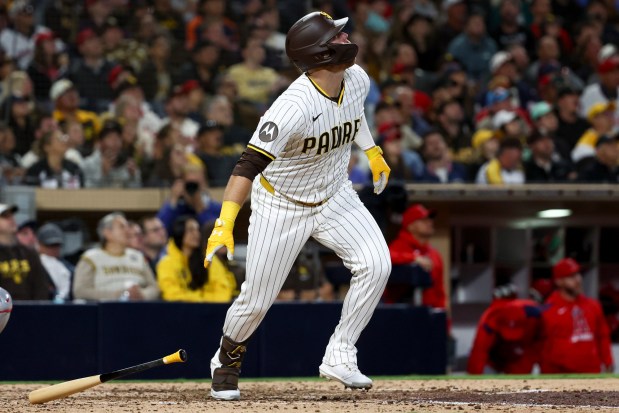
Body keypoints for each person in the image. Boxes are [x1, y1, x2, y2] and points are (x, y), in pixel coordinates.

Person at [203, 11, 392, 400]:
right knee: (257, 299)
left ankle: (340, 353)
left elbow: (353, 117)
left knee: (377, 264)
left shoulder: (357, 78)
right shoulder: (292, 107)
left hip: (335, 193)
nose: (345, 36)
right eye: (336, 35)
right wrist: (224, 222)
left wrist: (371, 150)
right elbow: (247, 165)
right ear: (320, 53)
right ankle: (226, 358)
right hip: (282, 203)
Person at [540, 258, 613, 373]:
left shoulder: (593, 305)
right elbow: (543, 346)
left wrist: (608, 361)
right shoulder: (548, 309)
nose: (578, 279)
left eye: (578, 274)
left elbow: (602, 336)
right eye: (571, 276)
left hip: (591, 373)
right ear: (559, 281)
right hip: (561, 376)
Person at [72, 212, 160, 301]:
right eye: (122, 227)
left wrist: (143, 294)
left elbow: (154, 288)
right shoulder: (91, 258)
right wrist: (116, 295)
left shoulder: (138, 257)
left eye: (127, 226)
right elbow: (80, 291)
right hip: (104, 310)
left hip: (139, 308)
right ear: (107, 233)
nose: (127, 230)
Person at [157, 216, 236, 302]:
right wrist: (200, 299)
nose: (196, 234)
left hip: (211, 310)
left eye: (197, 230)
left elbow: (223, 291)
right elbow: (172, 295)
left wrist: (201, 301)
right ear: (179, 233)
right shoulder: (166, 264)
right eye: (191, 230)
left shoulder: (210, 259)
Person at [467, 285, 543, 374]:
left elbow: (533, 348)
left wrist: (520, 378)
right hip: (494, 359)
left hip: (518, 356)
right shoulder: (490, 318)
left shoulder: (534, 316)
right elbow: (479, 351)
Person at [387, 204, 446, 309]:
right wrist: (414, 258)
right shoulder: (399, 246)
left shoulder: (434, 254)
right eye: (423, 220)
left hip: (429, 315)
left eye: (430, 219)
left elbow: (440, 292)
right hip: (401, 316)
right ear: (410, 226)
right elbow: (385, 258)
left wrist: (444, 318)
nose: (429, 223)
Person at [0, 204, 53, 300]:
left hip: (29, 311)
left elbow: (41, 286)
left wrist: (37, 310)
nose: (11, 219)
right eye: (5, 217)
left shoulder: (29, 253)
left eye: (11, 216)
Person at [36, 222, 73, 301]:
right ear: (39, 245)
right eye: (50, 246)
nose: (54, 249)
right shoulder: (33, 263)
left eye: (57, 245)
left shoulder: (67, 266)